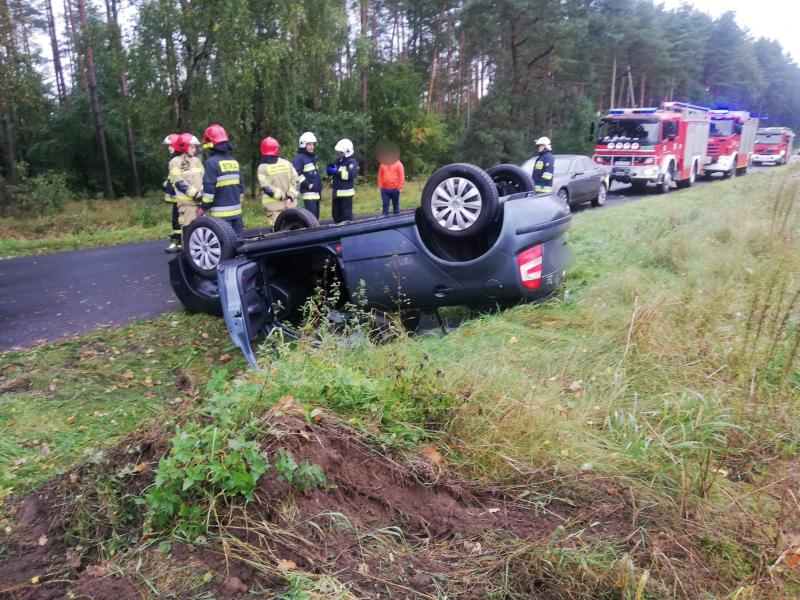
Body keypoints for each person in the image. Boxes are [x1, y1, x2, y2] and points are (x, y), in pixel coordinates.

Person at [200, 124, 245, 235]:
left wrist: (203, 208)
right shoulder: (234, 162)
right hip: (237, 214)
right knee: (238, 244)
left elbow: (209, 190)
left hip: (221, 217)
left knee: (225, 247)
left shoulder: (211, 163)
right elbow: (241, 187)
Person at [257, 136, 298, 227]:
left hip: (274, 209)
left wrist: (283, 196)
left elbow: (266, 188)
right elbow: (296, 181)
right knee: (293, 231)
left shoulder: (262, 167)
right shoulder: (287, 163)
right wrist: (290, 197)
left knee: (276, 235)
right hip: (290, 205)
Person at [168, 133, 204, 235]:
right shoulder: (175, 162)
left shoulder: (196, 161)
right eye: (192, 147)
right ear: (184, 146)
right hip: (187, 206)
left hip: (200, 204)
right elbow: (179, 182)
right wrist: (196, 194)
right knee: (189, 233)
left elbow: (203, 178)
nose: (195, 150)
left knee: (201, 233)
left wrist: (204, 195)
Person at [291, 132, 322, 218]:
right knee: (310, 220)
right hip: (307, 195)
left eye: (313, 144)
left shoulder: (312, 158)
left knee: (315, 219)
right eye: (309, 144)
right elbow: (296, 174)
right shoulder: (299, 158)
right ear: (303, 145)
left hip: (315, 194)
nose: (312, 146)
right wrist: (307, 185)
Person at [327, 138, 358, 223]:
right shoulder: (338, 161)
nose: (339, 153)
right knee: (336, 215)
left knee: (346, 217)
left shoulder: (351, 162)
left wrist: (335, 171)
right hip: (336, 194)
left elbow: (349, 175)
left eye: (341, 152)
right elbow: (333, 173)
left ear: (347, 151)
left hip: (346, 195)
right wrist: (329, 171)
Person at [161, 133, 182, 253]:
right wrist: (166, 183)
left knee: (178, 220)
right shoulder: (176, 159)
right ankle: (178, 241)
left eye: (170, 145)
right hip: (178, 197)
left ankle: (178, 242)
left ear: (175, 146)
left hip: (180, 197)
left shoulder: (176, 160)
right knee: (177, 219)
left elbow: (180, 179)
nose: (169, 148)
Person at [377, 148, 404, 215]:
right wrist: (381, 186)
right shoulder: (383, 164)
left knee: (396, 207)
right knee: (385, 206)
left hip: (395, 189)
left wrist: (399, 188)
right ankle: (384, 222)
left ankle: (397, 222)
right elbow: (380, 175)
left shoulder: (399, 164)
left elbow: (401, 176)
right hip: (385, 190)